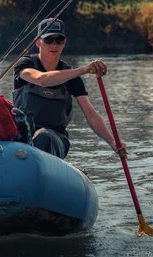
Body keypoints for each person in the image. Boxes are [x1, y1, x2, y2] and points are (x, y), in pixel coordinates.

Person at [13, 18, 126, 159]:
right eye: (48, 40)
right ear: (37, 42)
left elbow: (91, 115)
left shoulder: (71, 76)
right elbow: (42, 80)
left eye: (59, 40)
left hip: (55, 137)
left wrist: (112, 142)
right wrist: (83, 70)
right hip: (23, 134)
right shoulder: (24, 64)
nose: (54, 45)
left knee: (43, 137)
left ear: (64, 43)